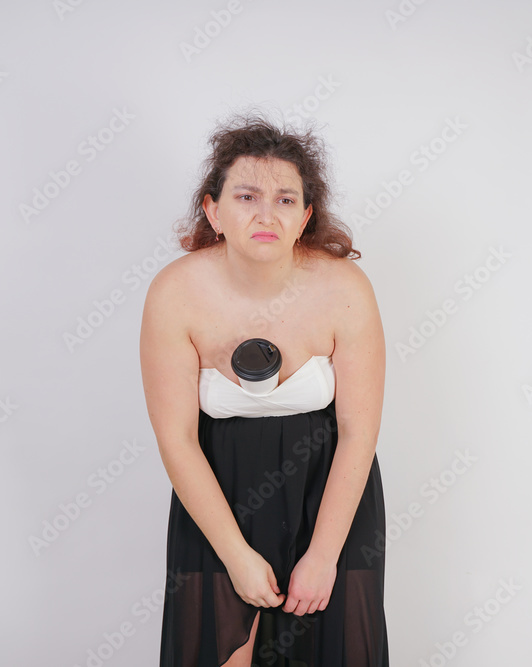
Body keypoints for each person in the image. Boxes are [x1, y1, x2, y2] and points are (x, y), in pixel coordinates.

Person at [140, 112, 389, 666]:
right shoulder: (175, 293)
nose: (266, 214)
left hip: (330, 501)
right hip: (217, 505)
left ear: (305, 217)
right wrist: (236, 556)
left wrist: (323, 556)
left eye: (285, 199)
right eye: (247, 196)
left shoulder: (345, 288)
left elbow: (359, 431)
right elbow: (177, 439)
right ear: (214, 210)